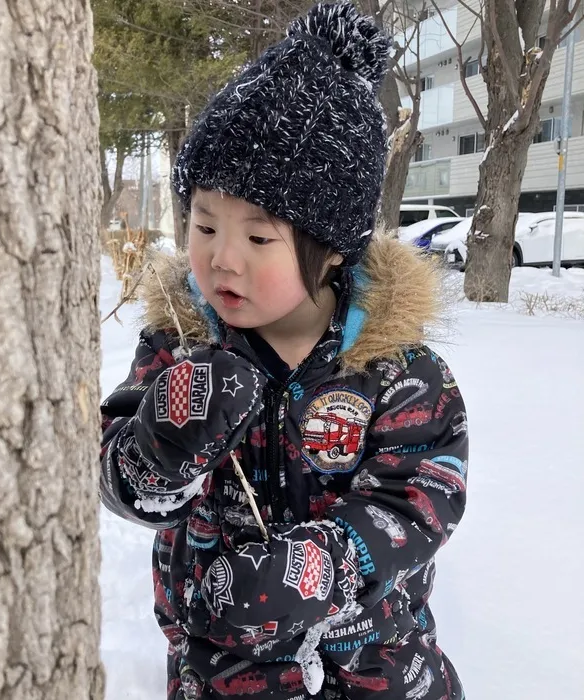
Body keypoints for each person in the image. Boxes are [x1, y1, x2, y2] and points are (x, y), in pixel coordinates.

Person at [100, 3, 468, 699]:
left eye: (258, 238)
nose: (221, 259)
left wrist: (319, 564)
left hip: (375, 672)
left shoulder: (396, 370)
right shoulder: (178, 348)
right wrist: (156, 455)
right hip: (222, 670)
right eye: (204, 224)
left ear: (331, 250)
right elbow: (115, 469)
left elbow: (422, 499)